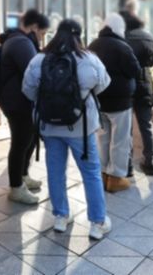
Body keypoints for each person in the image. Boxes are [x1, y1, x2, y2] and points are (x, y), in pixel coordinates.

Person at [23, 19, 112, 240]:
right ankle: (97, 222)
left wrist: (49, 105)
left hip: (50, 127)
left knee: (55, 171)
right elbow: (104, 84)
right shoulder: (89, 59)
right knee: (91, 173)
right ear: (79, 36)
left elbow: (28, 90)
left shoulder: (39, 59)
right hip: (80, 128)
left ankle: (61, 217)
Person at [0, 9, 50, 205]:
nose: (42, 38)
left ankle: (23, 175)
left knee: (28, 140)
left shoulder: (18, 40)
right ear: (34, 27)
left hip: (18, 100)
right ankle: (16, 187)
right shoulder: (21, 42)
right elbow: (34, 70)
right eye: (43, 33)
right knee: (21, 143)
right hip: (17, 102)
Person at [88, 13, 141, 192]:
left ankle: (103, 174)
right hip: (120, 102)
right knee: (120, 140)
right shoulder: (122, 47)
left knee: (102, 138)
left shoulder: (93, 45)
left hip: (99, 100)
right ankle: (116, 178)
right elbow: (135, 70)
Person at [119, 10, 153, 176]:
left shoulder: (122, 37)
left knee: (126, 128)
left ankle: (128, 166)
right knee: (147, 125)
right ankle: (149, 162)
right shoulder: (148, 36)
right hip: (144, 83)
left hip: (126, 85)